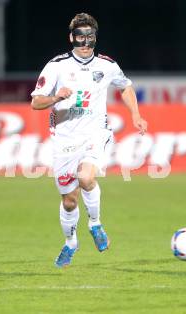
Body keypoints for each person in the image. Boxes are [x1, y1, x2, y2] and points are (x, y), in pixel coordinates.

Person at [30, 13, 147, 267]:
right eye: (80, 37)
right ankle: (71, 242)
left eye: (90, 37)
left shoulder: (106, 65)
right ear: (71, 37)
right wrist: (56, 98)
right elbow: (36, 102)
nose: (85, 42)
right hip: (64, 140)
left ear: (95, 38)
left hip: (95, 134)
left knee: (86, 177)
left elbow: (125, 86)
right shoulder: (56, 66)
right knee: (69, 201)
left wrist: (136, 115)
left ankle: (95, 224)